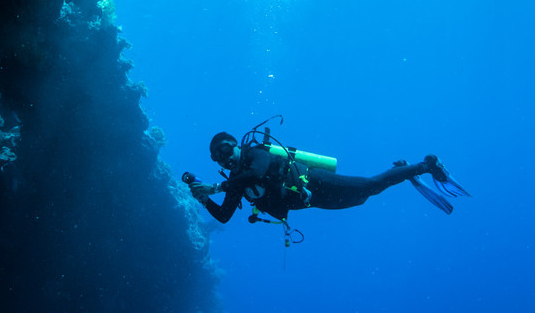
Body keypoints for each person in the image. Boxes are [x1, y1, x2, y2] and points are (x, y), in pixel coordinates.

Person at [182, 121, 470, 227]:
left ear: (236, 145)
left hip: (314, 180)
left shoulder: (256, 153)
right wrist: (202, 198)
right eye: (216, 156)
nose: (223, 157)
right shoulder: (233, 183)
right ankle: (400, 170)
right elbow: (223, 216)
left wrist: (217, 187)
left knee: (369, 186)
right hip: (312, 201)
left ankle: (426, 165)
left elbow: (257, 174)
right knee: (363, 198)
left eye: (225, 149)